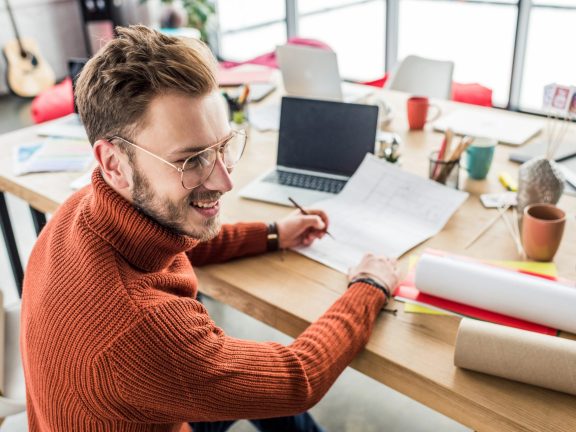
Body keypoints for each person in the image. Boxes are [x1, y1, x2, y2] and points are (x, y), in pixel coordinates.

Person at [21, 25, 399, 432]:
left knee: (253, 375)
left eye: (223, 147)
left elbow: (173, 242)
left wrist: (274, 233)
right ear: (114, 163)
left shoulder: (83, 209)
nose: (224, 181)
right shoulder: (143, 330)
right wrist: (369, 285)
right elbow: (298, 378)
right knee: (273, 383)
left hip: (127, 408)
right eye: (192, 160)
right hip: (151, 394)